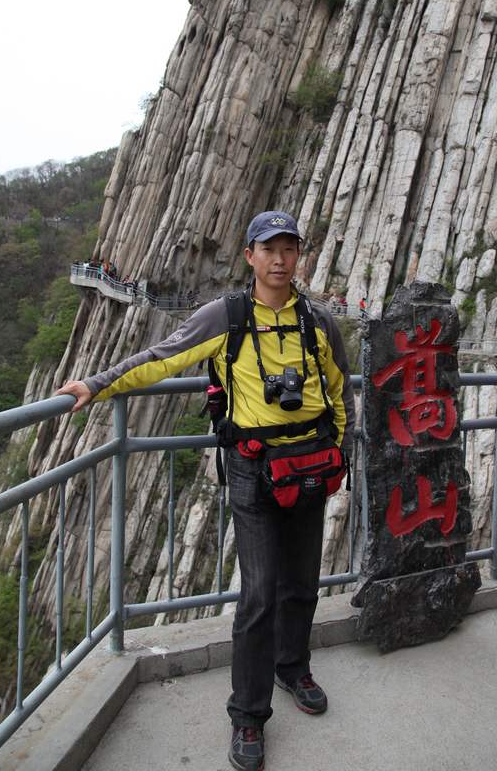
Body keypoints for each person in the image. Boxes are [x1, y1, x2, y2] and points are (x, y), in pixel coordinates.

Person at [56, 211, 355, 771]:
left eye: (289, 248)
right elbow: (160, 359)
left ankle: (293, 667)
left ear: (298, 255)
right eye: (269, 248)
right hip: (252, 468)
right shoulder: (227, 316)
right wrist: (98, 384)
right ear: (250, 256)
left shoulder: (318, 322)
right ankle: (248, 714)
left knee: (303, 584)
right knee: (260, 592)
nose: (280, 258)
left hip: (311, 464)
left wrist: (340, 446)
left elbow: (339, 389)